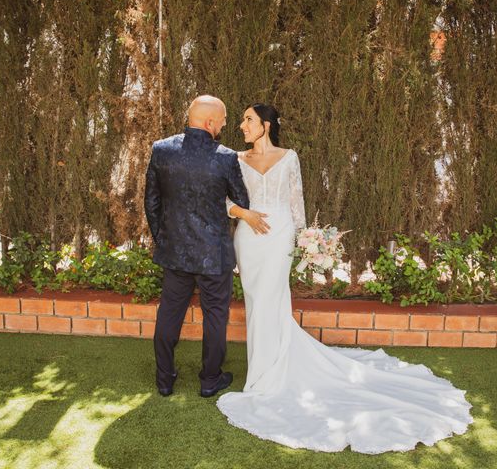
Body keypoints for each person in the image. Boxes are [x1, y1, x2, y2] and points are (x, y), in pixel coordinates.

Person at [217, 103, 473, 454]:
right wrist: (242, 213)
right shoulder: (235, 158)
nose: (242, 125)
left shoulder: (289, 157)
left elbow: (297, 203)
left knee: (272, 300)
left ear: (265, 125)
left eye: (248, 120)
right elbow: (222, 198)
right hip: (248, 236)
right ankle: (263, 368)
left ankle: (268, 377)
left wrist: (306, 241)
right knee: (255, 301)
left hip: (279, 237)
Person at [144, 95, 260, 398]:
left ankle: (164, 380)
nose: (224, 125)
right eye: (222, 120)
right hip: (214, 253)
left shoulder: (162, 150)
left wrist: (165, 239)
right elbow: (242, 202)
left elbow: (151, 202)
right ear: (210, 122)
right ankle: (210, 380)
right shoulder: (224, 157)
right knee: (215, 316)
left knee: (169, 314)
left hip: (175, 252)